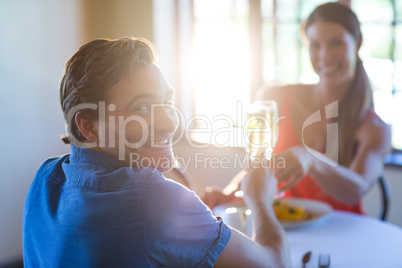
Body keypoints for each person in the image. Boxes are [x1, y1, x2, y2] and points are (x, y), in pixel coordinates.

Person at [22, 37, 290, 267]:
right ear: (88, 125)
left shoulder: (45, 178)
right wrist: (261, 202)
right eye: (141, 108)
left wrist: (202, 215)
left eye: (166, 102)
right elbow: (274, 263)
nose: (170, 123)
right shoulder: (153, 200)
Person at [202, 2, 391, 214]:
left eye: (336, 43)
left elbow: (356, 189)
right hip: (282, 226)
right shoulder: (273, 99)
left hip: (341, 234)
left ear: (358, 43)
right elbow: (257, 167)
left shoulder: (374, 127)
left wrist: (311, 158)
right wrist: (228, 194)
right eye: (315, 45)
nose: (325, 56)